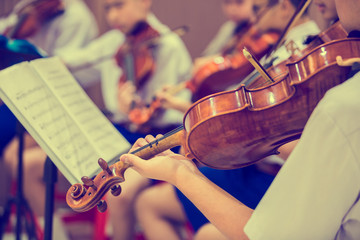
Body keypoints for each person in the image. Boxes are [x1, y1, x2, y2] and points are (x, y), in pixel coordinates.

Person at [117, 0, 360, 239]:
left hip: (276, 176)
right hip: (294, 181)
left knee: (175, 213)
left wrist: (180, 171)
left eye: (257, 8)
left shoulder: (342, 106)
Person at [60, 0, 192, 239]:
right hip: (120, 132)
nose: (112, 16)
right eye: (107, 8)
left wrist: (128, 109)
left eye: (118, 5)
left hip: (157, 137)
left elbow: (154, 111)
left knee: (119, 194)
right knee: (56, 160)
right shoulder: (115, 41)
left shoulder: (168, 45)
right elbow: (74, 60)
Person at [1, 0, 98, 238]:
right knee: (13, 153)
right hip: (24, 100)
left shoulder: (76, 17)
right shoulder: (30, 7)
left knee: (15, 155)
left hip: (59, 106)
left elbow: (65, 71)